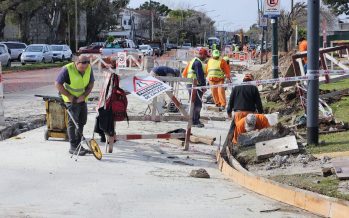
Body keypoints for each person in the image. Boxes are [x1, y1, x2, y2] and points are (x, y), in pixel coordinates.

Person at [55, 56, 94, 156]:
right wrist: (69, 96)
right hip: (70, 100)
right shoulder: (67, 69)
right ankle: (73, 146)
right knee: (72, 123)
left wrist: (84, 95)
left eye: (85, 67)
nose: (84, 70)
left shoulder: (89, 68)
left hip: (82, 99)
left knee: (82, 122)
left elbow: (91, 84)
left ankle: (79, 145)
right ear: (76, 63)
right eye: (81, 68)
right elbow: (57, 84)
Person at [183, 48, 208, 128]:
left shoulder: (193, 60)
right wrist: (203, 86)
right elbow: (199, 76)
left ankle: (194, 120)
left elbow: (185, 72)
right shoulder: (197, 63)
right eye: (205, 56)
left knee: (194, 102)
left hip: (191, 84)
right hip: (194, 85)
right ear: (202, 55)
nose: (206, 58)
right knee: (197, 103)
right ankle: (195, 121)